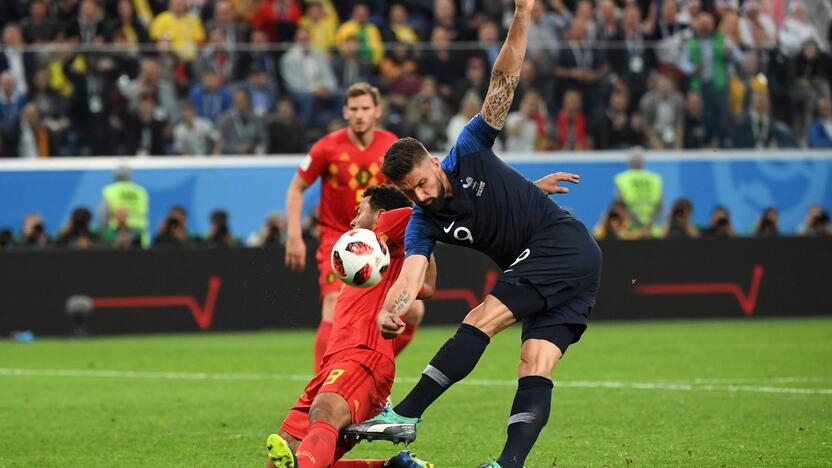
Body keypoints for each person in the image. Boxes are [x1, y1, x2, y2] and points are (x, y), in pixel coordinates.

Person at [343, 2, 603, 467]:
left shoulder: (467, 150)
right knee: (534, 364)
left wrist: (522, 14)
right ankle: (507, 465)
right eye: (410, 192)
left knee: (481, 317)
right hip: (570, 269)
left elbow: (503, 82)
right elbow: (411, 276)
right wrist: (391, 310)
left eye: (423, 182)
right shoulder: (425, 220)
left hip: (559, 244)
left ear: (433, 163)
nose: (420, 195)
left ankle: (404, 414)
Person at [266, 185, 437, 468]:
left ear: (381, 214)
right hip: (334, 365)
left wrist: (411, 239)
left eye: (359, 212)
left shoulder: (392, 233)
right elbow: (428, 286)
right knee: (288, 462)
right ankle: (388, 467)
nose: (352, 221)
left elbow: (420, 216)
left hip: (363, 357)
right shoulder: (370, 258)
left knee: (325, 413)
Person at [283, 82, 400, 374]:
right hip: (338, 238)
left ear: (378, 111)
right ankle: (322, 384)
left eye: (366, 108)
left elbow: (403, 195)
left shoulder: (391, 145)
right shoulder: (326, 147)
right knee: (334, 302)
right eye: (354, 109)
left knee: (412, 310)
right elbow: (296, 188)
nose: (360, 114)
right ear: (345, 112)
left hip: (379, 243)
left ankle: (364, 366)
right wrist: (294, 235)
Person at [613, 149, 663, 236]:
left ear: (629, 162)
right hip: (652, 230)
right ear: (643, 162)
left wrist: (640, 226)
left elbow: (621, 208)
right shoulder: (655, 179)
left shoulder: (621, 179)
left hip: (631, 231)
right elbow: (660, 207)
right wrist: (648, 227)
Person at [98, 165, 150, 247]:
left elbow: (103, 216)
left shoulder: (110, 191)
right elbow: (145, 211)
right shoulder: (140, 191)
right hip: (140, 234)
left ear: (115, 176)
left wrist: (103, 233)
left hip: (115, 234)